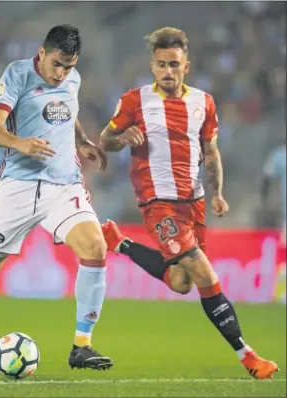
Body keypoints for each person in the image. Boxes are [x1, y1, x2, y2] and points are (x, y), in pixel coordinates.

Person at [0, 25, 113, 373]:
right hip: (19, 186)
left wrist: (82, 141)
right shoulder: (16, 74)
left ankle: (82, 345)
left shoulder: (72, 80)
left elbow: (67, 112)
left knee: (96, 248)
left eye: (70, 66)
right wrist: (21, 144)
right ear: (42, 53)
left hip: (63, 185)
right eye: (57, 64)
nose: (62, 74)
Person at [100, 27, 278, 379]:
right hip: (158, 203)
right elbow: (106, 140)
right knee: (205, 274)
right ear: (152, 66)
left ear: (187, 66)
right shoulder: (134, 101)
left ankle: (118, 243)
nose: (168, 71)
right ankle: (248, 356)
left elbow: (211, 151)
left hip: (193, 203)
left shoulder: (204, 102)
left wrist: (218, 193)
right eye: (162, 64)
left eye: (175, 65)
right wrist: (122, 137)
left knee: (182, 282)